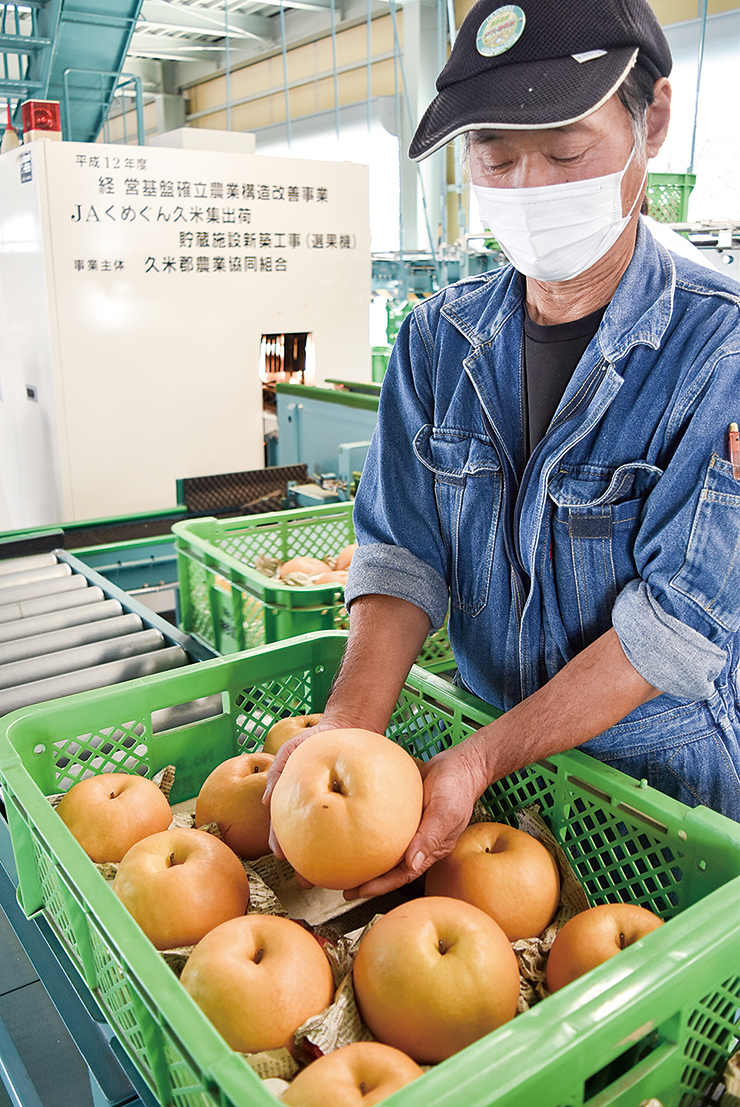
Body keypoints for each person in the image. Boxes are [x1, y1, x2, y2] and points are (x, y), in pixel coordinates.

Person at [265, 0, 740, 898]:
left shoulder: (719, 354)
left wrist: (480, 759)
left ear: (656, 122)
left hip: (661, 797)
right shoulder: (437, 340)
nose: (528, 190)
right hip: (491, 787)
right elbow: (403, 554)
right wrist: (344, 736)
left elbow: (674, 630)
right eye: (495, 157)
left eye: (565, 154)